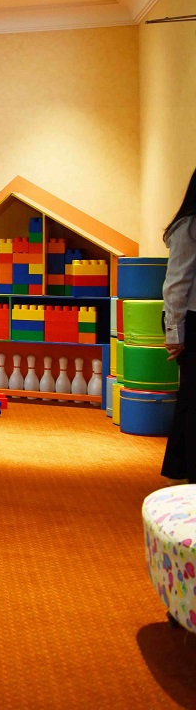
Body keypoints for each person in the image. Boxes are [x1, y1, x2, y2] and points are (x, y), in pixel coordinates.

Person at [161, 167, 196, 480]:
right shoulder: (188, 227)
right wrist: (175, 332)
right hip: (190, 320)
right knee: (192, 399)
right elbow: (176, 284)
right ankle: (185, 472)